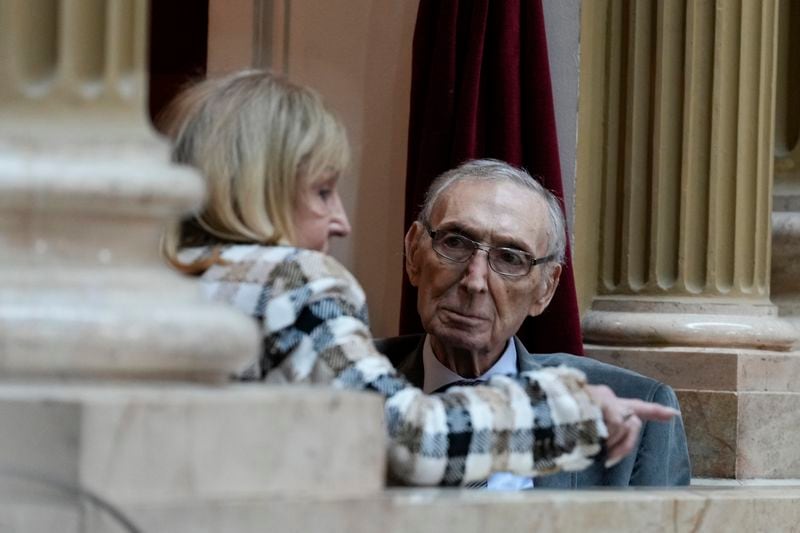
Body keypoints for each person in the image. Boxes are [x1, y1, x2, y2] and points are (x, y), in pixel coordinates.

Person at [160, 69, 677, 487]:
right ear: (256, 190)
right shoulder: (285, 284)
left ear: (548, 286)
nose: (340, 220)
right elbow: (411, 441)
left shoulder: (149, 287)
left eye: (510, 257)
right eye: (322, 191)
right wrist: (571, 411)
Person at [376, 159, 690, 488]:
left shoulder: (636, 411)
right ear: (413, 252)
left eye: (510, 257)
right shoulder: (340, 385)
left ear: (545, 289)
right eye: (455, 242)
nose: (475, 281)